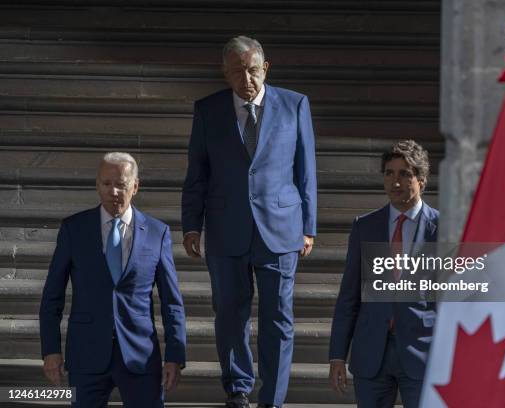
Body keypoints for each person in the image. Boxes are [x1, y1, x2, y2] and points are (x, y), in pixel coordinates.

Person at [181, 36, 317, 408]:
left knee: (278, 319)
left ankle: (272, 398)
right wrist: (191, 224)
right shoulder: (207, 110)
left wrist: (308, 226)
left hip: (281, 227)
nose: (247, 78)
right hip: (225, 229)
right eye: (238, 71)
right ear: (225, 74)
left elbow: (306, 170)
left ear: (266, 68)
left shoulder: (295, 105)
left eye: (253, 69)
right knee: (229, 314)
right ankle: (238, 389)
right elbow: (197, 173)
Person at [39, 152, 187, 408]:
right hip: (86, 353)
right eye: (106, 184)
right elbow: (53, 295)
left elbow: (172, 302)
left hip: (140, 356)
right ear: (97, 185)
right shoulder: (74, 229)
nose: (113, 191)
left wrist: (175, 355)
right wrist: (51, 350)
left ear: (135, 186)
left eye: (121, 184)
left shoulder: (157, 232)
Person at [328, 140, 438, 408]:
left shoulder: (442, 228)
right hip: (371, 352)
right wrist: (337, 355)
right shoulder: (365, 226)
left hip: (424, 353)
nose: (395, 181)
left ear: (421, 181)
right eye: (389, 173)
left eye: (404, 174)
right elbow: (349, 296)